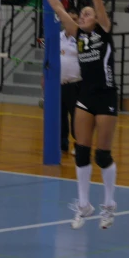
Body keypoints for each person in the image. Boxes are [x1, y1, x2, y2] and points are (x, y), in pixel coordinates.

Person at [41, 0, 118, 230]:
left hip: (106, 95)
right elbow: (57, 9)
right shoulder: (79, 36)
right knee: (82, 151)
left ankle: (109, 205)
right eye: (81, 13)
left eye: (88, 14)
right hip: (85, 96)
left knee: (103, 155)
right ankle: (84, 205)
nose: (83, 15)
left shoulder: (104, 32)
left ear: (97, 19)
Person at [60, 8, 81, 154]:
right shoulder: (57, 36)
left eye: (75, 19)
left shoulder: (82, 38)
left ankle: (79, 144)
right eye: (69, 18)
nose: (71, 21)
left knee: (77, 117)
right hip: (59, 84)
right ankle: (62, 143)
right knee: (60, 116)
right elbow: (48, 56)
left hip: (76, 84)